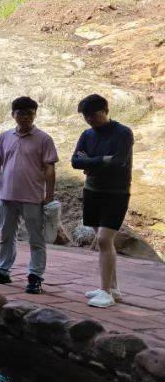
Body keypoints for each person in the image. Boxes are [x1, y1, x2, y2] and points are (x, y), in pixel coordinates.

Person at [0, 96, 58, 294]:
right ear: (13, 114)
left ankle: (35, 276)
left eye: (30, 113)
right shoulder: (4, 137)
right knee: (6, 235)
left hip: (33, 197)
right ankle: (2, 271)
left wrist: (49, 195)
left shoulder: (44, 139)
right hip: (6, 196)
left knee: (36, 239)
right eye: (21, 113)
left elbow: (49, 168)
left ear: (35, 114)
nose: (26, 117)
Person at [72, 94, 134, 308]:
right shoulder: (87, 134)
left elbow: (118, 162)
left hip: (116, 193)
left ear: (106, 111)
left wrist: (89, 163)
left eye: (94, 115)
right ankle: (113, 288)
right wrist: (100, 160)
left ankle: (105, 292)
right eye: (86, 116)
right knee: (101, 239)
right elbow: (74, 162)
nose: (90, 119)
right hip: (92, 191)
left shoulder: (123, 133)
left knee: (104, 240)